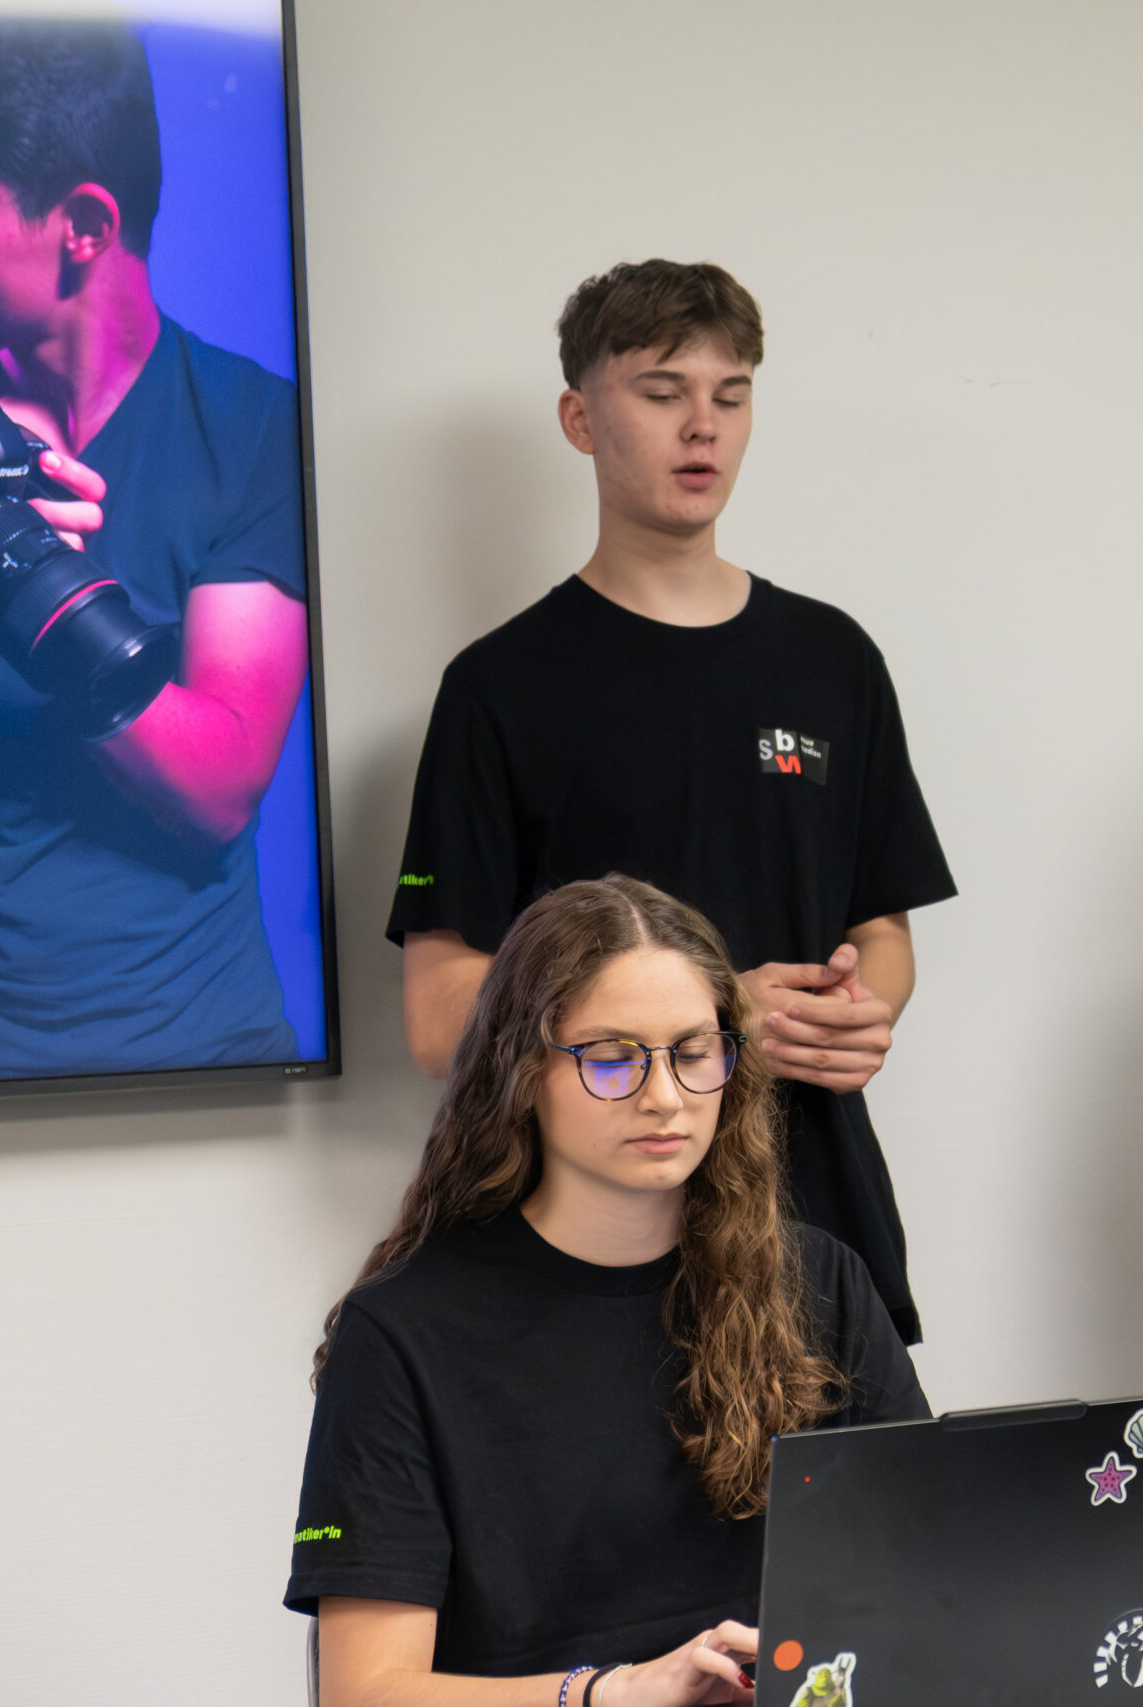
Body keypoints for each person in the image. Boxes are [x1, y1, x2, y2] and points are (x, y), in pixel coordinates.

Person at [390, 260, 954, 1348]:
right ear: (581, 419)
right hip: (594, 1251)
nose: (702, 426)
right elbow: (436, 1017)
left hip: (816, 1226)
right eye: (661, 393)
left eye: (729, 396)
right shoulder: (500, 688)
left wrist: (853, 1012)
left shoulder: (833, 660)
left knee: (870, 1470)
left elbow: (881, 934)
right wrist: (716, 1022)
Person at [0, 17, 309, 1082]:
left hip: (204, 1054)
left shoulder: (252, 426)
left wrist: (8, 568)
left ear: (82, 225)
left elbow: (217, 793)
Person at [290, 875, 927, 1705]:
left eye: (692, 1053)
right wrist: (613, 1693)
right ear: (521, 1069)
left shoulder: (822, 1282)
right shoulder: (400, 1333)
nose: (664, 1097)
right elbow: (363, 1689)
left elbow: (929, 1569)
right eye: (613, 1057)